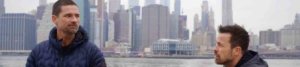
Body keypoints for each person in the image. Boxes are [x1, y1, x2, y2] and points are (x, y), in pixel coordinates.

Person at [26, 0, 106, 67]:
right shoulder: (38, 52)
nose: (74, 20)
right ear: (54, 19)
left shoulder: (92, 52)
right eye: (68, 16)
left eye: (77, 16)